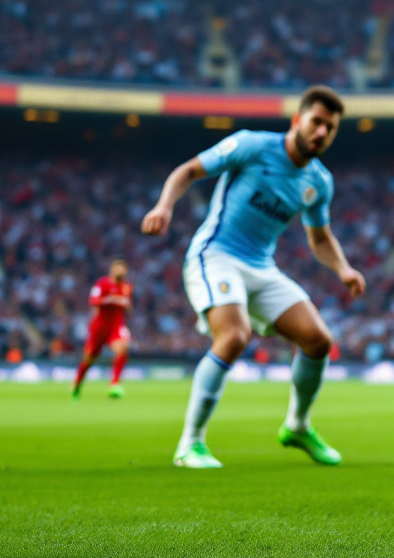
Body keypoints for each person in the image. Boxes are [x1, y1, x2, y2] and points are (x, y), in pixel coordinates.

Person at [141, 85, 366, 469]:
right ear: (298, 120)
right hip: (215, 254)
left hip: (261, 267)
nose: (322, 133)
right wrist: (164, 206)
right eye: (316, 122)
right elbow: (189, 170)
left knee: (318, 340)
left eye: (330, 128)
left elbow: (319, 237)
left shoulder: (319, 182)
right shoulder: (252, 146)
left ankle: (296, 426)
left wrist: (343, 268)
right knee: (234, 335)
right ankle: (189, 444)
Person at [71, 259, 133, 400]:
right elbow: (93, 301)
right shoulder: (102, 284)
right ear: (112, 270)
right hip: (99, 327)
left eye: (124, 270)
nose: (122, 272)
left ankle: (115, 383)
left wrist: (127, 305)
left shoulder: (126, 287)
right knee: (89, 359)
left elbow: (128, 307)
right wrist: (112, 300)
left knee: (123, 348)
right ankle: (77, 383)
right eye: (119, 269)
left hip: (116, 326)